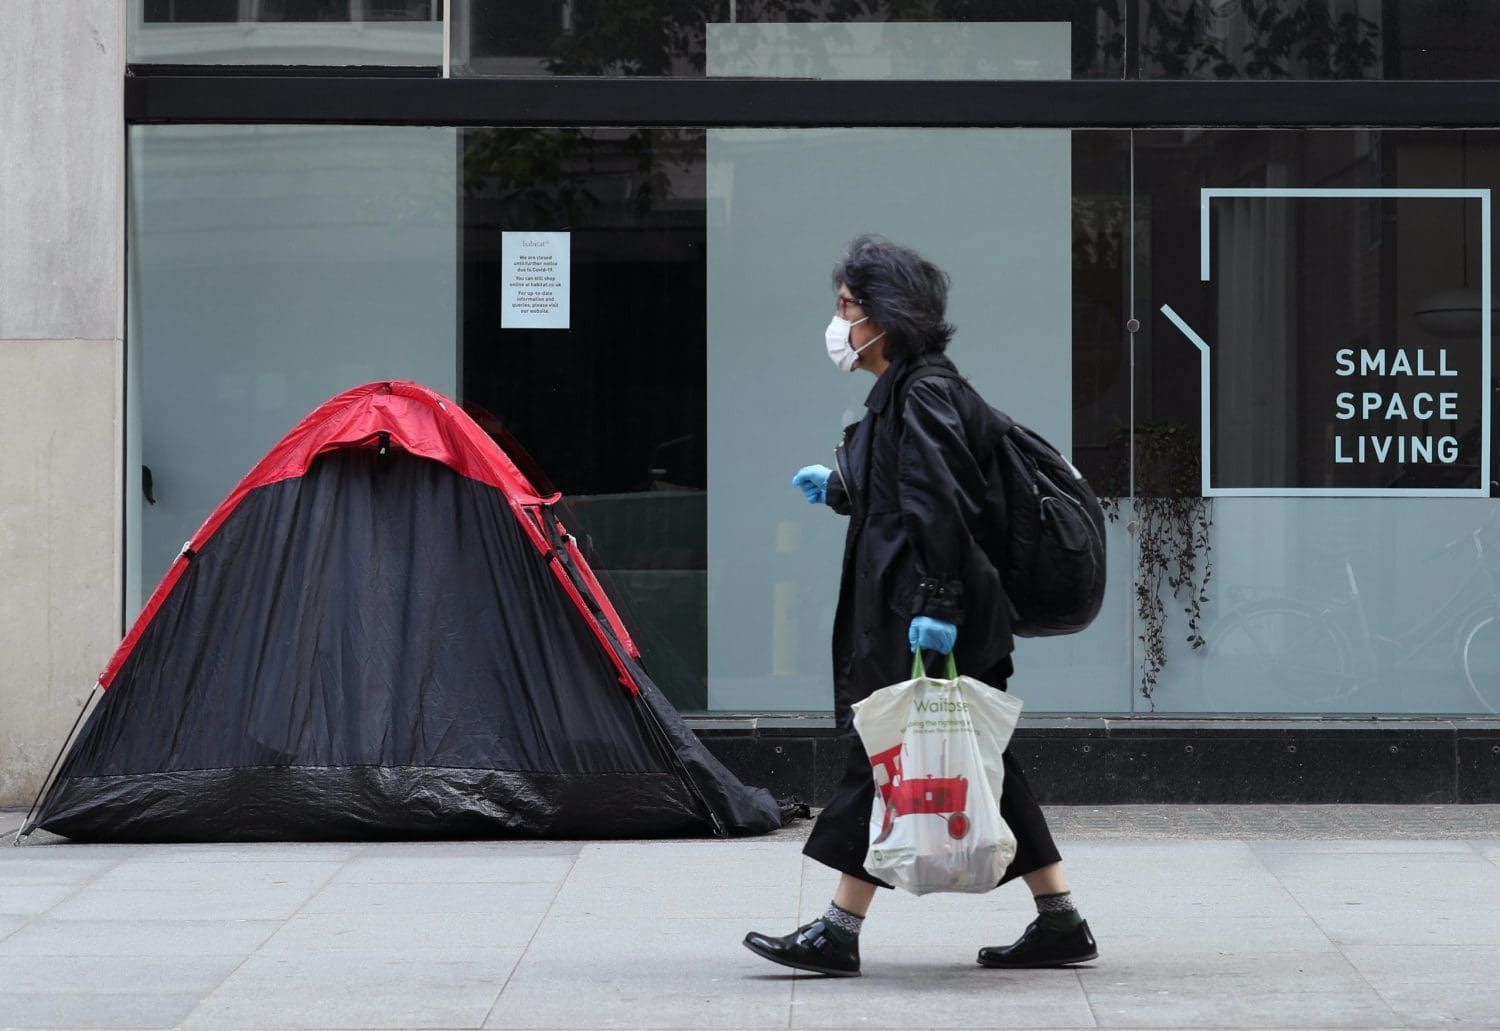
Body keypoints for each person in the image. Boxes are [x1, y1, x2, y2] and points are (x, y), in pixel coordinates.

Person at [742, 235, 1097, 978]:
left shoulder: (925, 391)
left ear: (884, 316)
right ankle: (1061, 920)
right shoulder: (908, 388)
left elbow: (945, 505)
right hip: (926, 608)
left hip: (930, 615)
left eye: (847, 307)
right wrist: (840, 488)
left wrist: (935, 605)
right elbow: (910, 489)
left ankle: (838, 931)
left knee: (882, 755)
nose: (837, 323)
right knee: (983, 762)